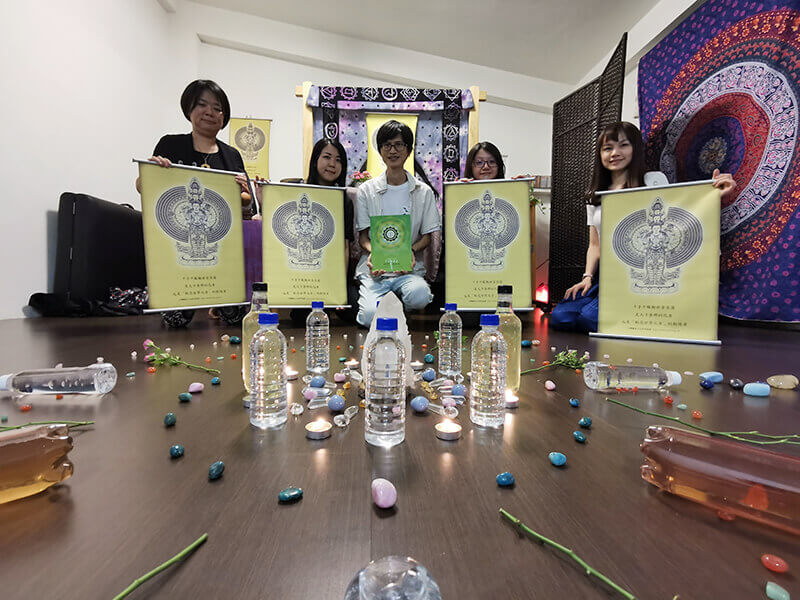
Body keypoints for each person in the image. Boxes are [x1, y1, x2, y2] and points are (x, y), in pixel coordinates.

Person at [549, 121, 736, 333]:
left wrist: (710, 195)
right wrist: (587, 277)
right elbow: (595, 245)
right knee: (561, 317)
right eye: (608, 148)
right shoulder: (595, 195)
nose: (615, 153)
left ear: (635, 149)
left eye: (623, 145)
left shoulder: (653, 180)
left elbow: (677, 218)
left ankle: (643, 315)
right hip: (608, 276)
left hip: (642, 272)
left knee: (589, 319)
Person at [354, 120, 441, 327]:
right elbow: (363, 237)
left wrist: (409, 251)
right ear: (380, 150)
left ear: (408, 150)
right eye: (387, 145)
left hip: (408, 270)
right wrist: (375, 253)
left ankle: (398, 305)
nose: (393, 151)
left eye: (399, 145)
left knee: (420, 296)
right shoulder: (366, 190)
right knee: (368, 318)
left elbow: (427, 237)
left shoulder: (423, 192)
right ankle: (387, 305)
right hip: (376, 272)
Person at [136, 79, 256, 217]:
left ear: (224, 117)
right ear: (189, 109)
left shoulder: (232, 155)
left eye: (217, 109)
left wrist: (245, 199)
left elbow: (249, 208)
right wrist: (149, 174)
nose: (209, 112)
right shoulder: (170, 144)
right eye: (202, 104)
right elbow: (143, 187)